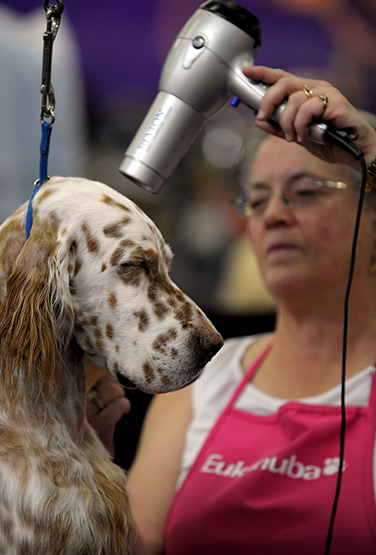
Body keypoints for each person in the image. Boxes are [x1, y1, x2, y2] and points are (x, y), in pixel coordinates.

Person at [88, 66, 376, 554]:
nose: (275, 215)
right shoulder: (203, 384)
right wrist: (89, 464)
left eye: (305, 193)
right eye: (258, 200)